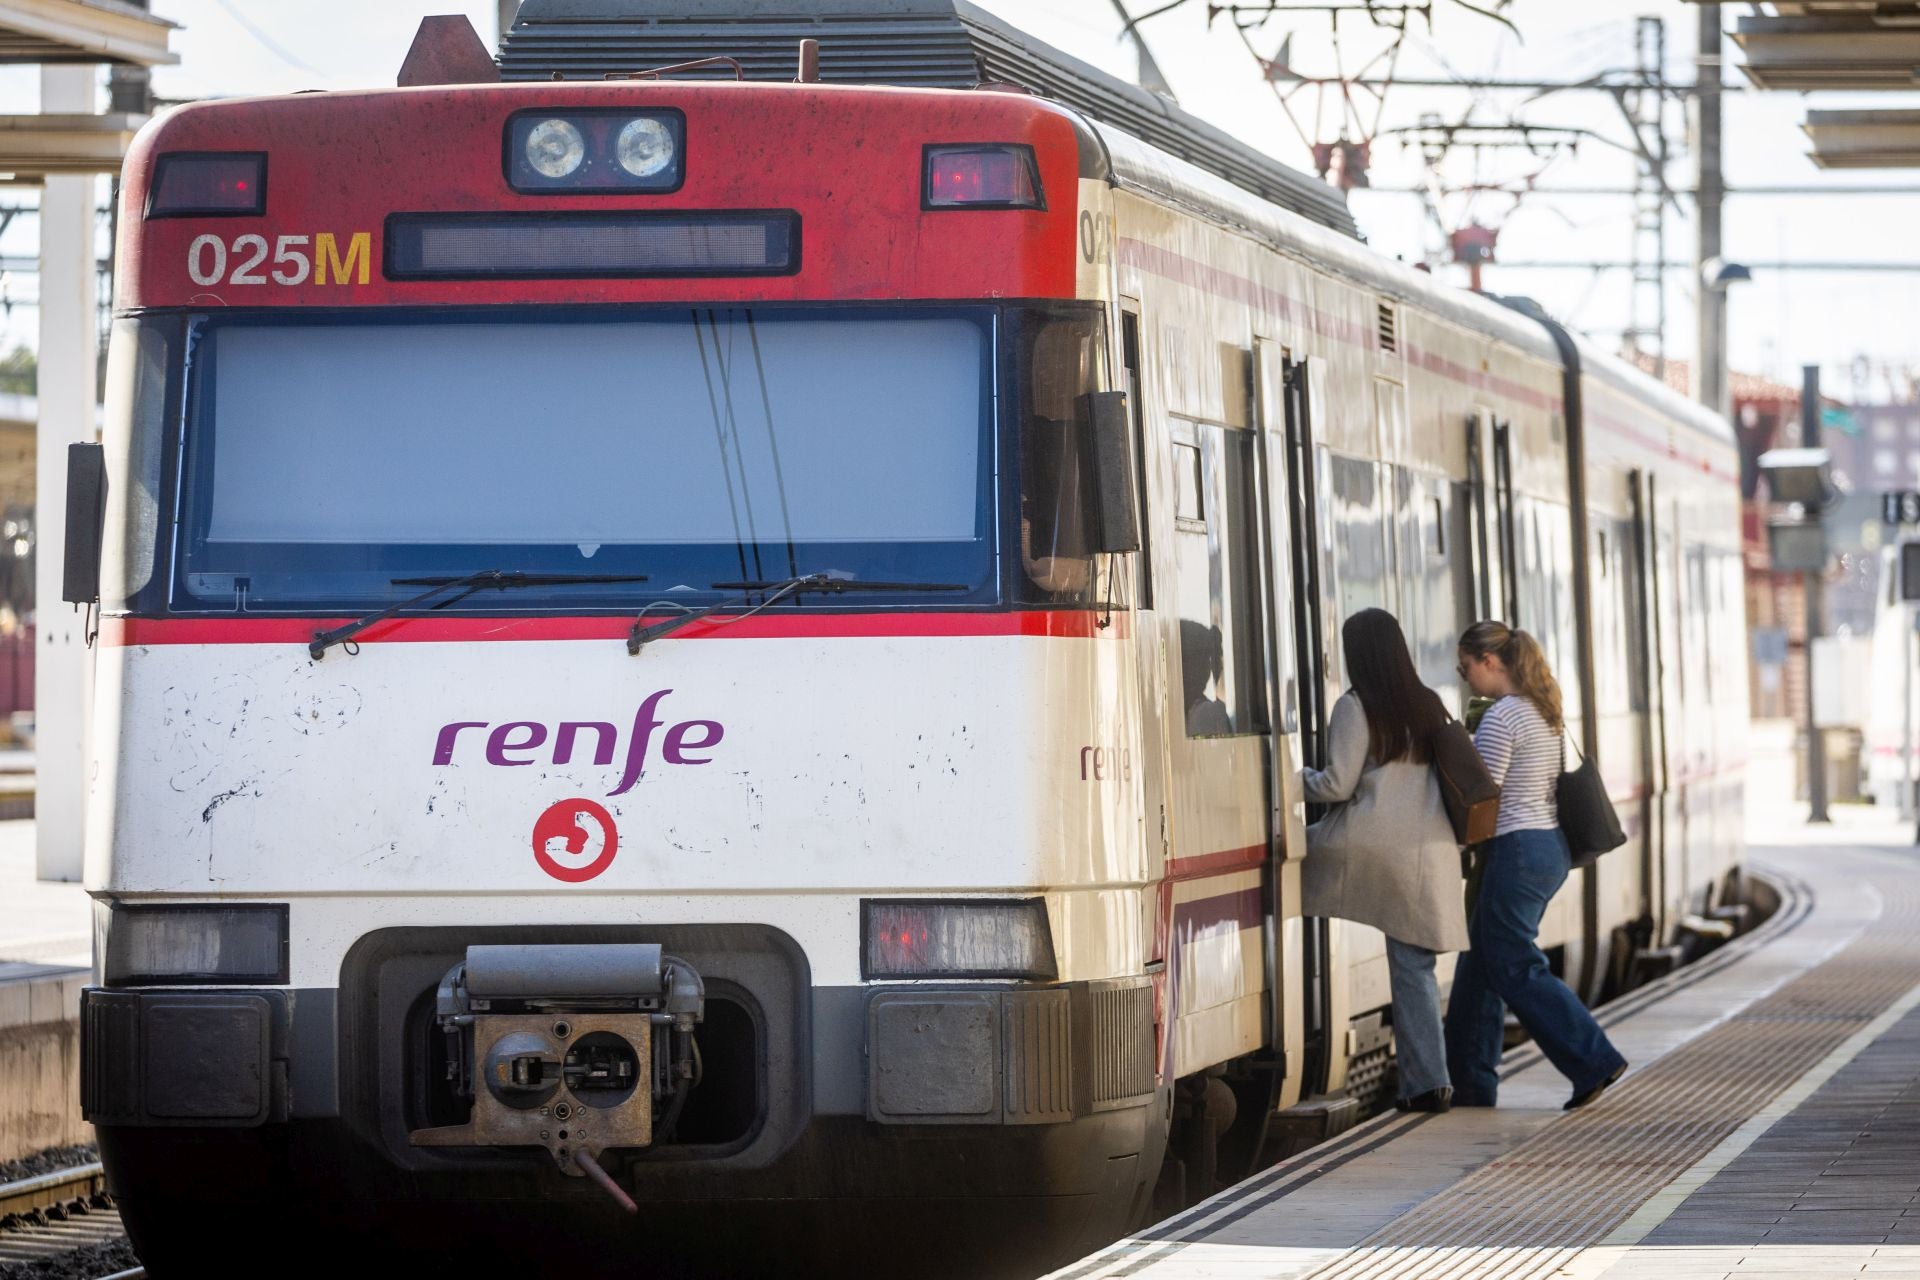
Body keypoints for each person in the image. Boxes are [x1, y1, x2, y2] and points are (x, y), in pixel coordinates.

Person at [1445, 620, 1629, 1111]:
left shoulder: (1504, 715)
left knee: (1513, 963)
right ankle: (1469, 1083)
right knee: (1480, 963)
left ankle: (1593, 1058)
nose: (1466, 681)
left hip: (1519, 850)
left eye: (1466, 670)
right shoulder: (1542, 710)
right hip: (1545, 847)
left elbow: (1481, 791)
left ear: (1488, 662)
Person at [1300, 608, 1469, 1113]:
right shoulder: (1428, 704)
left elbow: (1336, 785)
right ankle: (1429, 1080)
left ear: (1358, 655)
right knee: (1415, 963)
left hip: (1380, 849)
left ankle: (1428, 1083)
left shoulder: (1356, 707)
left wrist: (1289, 778)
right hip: (1432, 851)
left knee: (1294, 862)